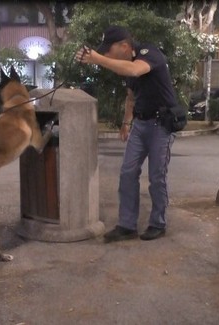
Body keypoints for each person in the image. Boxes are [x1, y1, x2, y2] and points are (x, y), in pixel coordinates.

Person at [75, 25, 177, 242]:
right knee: (128, 173)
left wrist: (96, 59)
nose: (105, 55)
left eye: (108, 50)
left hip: (161, 124)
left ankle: (158, 223)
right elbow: (131, 97)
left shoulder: (149, 53)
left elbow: (134, 70)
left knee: (157, 177)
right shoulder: (126, 66)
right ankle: (127, 225)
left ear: (124, 45)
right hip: (140, 125)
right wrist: (126, 123)